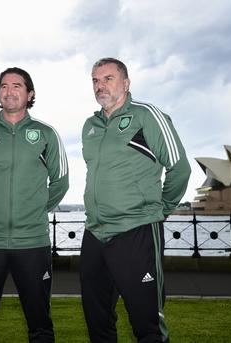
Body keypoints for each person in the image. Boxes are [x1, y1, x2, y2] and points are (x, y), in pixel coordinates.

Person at [80, 58, 191, 343]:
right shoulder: (90, 126)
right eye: (95, 80)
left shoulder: (146, 115)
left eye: (108, 78)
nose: (100, 85)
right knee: (98, 322)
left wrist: (161, 210)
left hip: (136, 231)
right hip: (95, 233)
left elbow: (179, 168)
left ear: (126, 83)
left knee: (147, 323)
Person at [0, 66, 69, 342]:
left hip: (32, 242)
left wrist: (34, 210)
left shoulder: (46, 134)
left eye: (17, 85)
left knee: (40, 324)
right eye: (4, 86)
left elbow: (60, 182)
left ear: (30, 93)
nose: (9, 91)